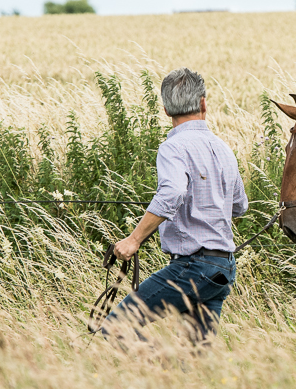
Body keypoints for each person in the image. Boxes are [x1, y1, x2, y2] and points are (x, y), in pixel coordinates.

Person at [101, 67, 248, 342]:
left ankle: (163, 373)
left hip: (192, 268)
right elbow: (240, 206)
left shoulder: (173, 147)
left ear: (166, 109)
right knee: (195, 355)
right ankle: (181, 379)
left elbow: (172, 193)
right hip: (222, 269)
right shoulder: (224, 148)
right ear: (204, 103)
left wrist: (133, 240)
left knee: (115, 328)